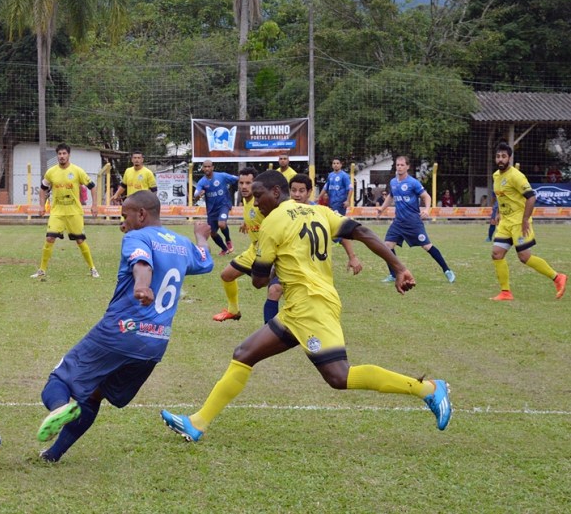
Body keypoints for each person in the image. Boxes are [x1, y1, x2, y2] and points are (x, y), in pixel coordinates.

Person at [160, 170, 452, 444]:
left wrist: (267, 265)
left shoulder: (272, 222)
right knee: (244, 354)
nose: (255, 202)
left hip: (311, 305)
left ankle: (428, 389)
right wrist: (399, 267)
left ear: (276, 192)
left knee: (339, 376)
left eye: (258, 196)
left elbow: (259, 282)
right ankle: (197, 423)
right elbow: (362, 232)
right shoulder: (319, 211)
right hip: (300, 306)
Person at [36, 191, 214, 462]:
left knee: (60, 379)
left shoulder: (137, 237)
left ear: (141, 214)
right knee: (94, 394)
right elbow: (205, 262)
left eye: (126, 216)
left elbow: (142, 263)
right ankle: (52, 455)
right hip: (155, 343)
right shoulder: (181, 243)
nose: (123, 223)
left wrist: (142, 286)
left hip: (121, 331)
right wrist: (201, 237)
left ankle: (60, 407)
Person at [263, 174, 363, 323]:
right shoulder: (283, 211)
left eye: (301, 191)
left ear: (309, 192)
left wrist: (352, 257)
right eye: (294, 190)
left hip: (315, 270)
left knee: (315, 305)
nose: (297, 194)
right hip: (289, 266)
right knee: (274, 290)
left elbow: (343, 234)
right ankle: (268, 330)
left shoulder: (320, 212)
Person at [489, 142, 566, 301]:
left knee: (524, 257)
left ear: (509, 158)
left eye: (504, 156)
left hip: (518, 222)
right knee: (497, 253)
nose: (500, 159)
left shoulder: (516, 176)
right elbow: (501, 195)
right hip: (505, 222)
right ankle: (505, 292)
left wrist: (525, 220)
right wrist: (497, 212)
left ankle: (557, 277)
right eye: (498, 156)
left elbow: (531, 197)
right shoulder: (496, 176)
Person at [377, 155, 456, 284]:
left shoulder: (413, 182)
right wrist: (382, 209)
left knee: (427, 246)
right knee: (387, 246)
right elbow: (390, 197)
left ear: (407, 166)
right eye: (398, 165)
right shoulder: (393, 182)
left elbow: (426, 196)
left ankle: (447, 271)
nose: (400, 167)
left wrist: (426, 210)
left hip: (413, 222)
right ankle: (394, 274)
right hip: (398, 222)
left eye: (402, 165)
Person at [31, 143, 100, 280]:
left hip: (74, 212)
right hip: (57, 212)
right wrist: (41, 206)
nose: (62, 156)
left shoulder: (77, 171)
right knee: (49, 238)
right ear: (57, 155)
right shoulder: (51, 172)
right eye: (59, 154)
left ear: (69, 155)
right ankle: (42, 270)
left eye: (64, 154)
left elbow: (92, 187)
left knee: (80, 240)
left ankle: (92, 268)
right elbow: (43, 189)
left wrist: (95, 205)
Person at [211, 167, 264, 322]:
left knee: (276, 288)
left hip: (269, 252)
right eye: (241, 183)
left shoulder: (262, 202)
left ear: (256, 184)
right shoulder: (247, 201)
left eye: (248, 183)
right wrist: (245, 223)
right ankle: (233, 310)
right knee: (226, 275)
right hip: (254, 249)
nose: (244, 186)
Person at [193, 159, 239, 256]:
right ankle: (224, 249)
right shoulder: (202, 182)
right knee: (212, 233)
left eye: (209, 166)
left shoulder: (221, 176)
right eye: (205, 167)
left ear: (212, 167)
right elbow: (196, 194)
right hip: (212, 211)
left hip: (224, 205)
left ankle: (228, 240)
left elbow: (237, 178)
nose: (207, 168)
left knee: (222, 224)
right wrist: (198, 195)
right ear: (202, 168)